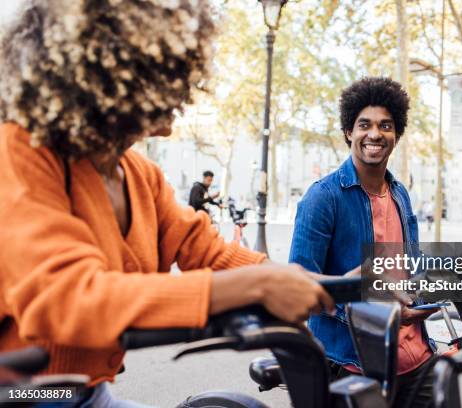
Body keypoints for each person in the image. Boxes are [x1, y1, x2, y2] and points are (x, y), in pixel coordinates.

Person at [0, 1, 334, 406]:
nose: (184, 88)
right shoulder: (20, 152)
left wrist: (324, 284)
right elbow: (68, 298)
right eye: (170, 69)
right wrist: (257, 285)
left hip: (88, 392)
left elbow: (204, 250)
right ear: (114, 71)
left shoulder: (139, 173)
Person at [289, 77, 437, 408]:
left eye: (385, 126)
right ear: (349, 132)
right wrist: (366, 295)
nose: (374, 134)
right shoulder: (323, 197)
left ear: (396, 136)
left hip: (417, 358)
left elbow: (408, 266)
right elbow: (300, 283)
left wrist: (428, 294)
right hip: (351, 363)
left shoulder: (401, 195)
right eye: (364, 125)